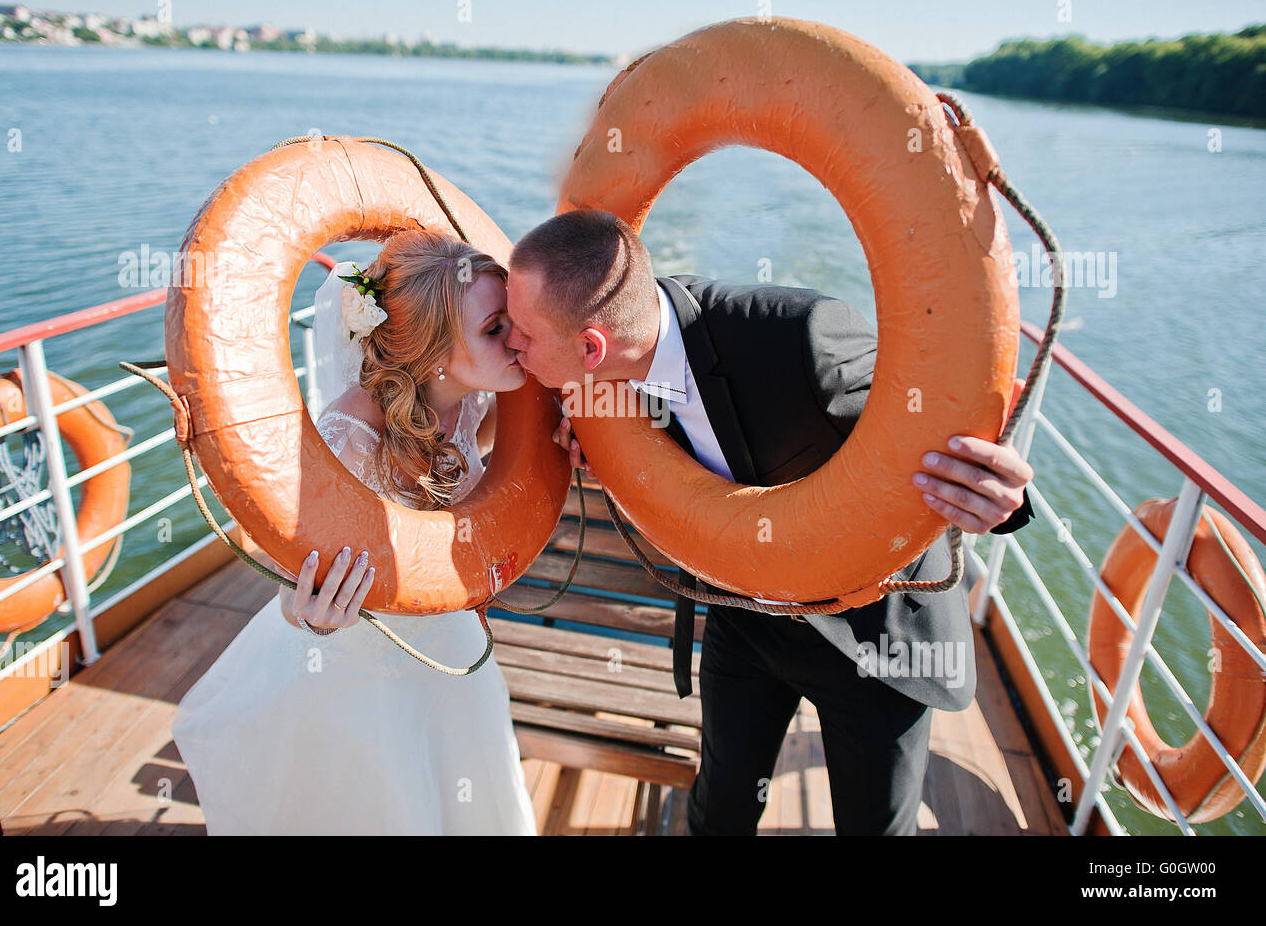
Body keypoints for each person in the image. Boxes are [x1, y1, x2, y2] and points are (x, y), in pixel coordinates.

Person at [502, 208, 1036, 836]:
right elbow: (648, 455)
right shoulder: (607, 371)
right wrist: (595, 450)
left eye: (522, 334)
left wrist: (1004, 498)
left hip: (871, 638)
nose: (512, 341)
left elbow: (940, 433)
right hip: (747, 619)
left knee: (875, 827)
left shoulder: (802, 340)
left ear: (591, 347)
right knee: (719, 807)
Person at [171, 230, 537, 835]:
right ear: (434, 350)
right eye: (496, 329)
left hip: (448, 630)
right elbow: (296, 580)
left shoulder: (470, 397)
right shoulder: (347, 439)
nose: (518, 340)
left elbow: (489, 456)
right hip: (360, 655)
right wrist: (313, 615)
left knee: (468, 779)